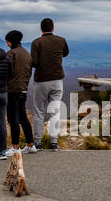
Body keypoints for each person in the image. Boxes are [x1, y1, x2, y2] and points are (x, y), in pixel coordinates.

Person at [30, 17, 68, 151]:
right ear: (53, 28)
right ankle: (53, 142)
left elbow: (33, 62)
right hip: (57, 80)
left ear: (41, 29)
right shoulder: (61, 40)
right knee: (55, 111)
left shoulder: (36, 42)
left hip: (41, 81)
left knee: (39, 111)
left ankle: (38, 142)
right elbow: (65, 53)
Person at [5, 29, 32, 153]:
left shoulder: (11, 54)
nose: (7, 44)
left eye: (8, 42)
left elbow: (6, 72)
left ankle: (15, 147)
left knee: (13, 118)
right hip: (24, 89)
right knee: (23, 117)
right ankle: (30, 145)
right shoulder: (27, 53)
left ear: (11, 41)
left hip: (12, 90)